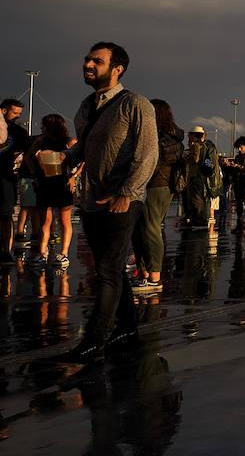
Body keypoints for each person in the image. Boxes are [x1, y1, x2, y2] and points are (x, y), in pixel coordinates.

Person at [66, 42, 158, 362]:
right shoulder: (86, 106)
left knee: (106, 270)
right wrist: (64, 160)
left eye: (97, 60)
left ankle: (95, 339)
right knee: (112, 269)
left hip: (121, 200)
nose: (88, 64)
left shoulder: (136, 104)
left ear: (117, 68)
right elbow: (84, 148)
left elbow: (148, 154)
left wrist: (127, 193)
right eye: (87, 59)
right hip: (91, 199)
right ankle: (129, 326)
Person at [130, 100, 184, 293]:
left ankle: (154, 277)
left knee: (150, 227)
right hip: (156, 185)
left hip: (157, 184)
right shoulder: (171, 137)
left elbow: (151, 161)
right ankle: (145, 274)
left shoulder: (163, 138)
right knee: (142, 228)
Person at [25, 113, 83, 269]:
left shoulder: (69, 142)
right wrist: (35, 174)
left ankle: (63, 254)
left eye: (44, 125)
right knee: (46, 220)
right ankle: (42, 253)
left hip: (63, 183)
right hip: (46, 183)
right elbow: (28, 157)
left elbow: (84, 158)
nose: (41, 127)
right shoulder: (41, 141)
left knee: (65, 220)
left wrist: (73, 177)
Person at [0, 97, 31, 264]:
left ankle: (6, 252)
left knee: (6, 215)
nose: (18, 116)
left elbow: (29, 150)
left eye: (20, 113)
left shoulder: (18, 132)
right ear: (4, 110)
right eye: (15, 113)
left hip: (5, 177)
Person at [182, 126, 221, 228]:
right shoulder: (208, 146)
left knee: (196, 199)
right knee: (204, 199)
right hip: (204, 176)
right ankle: (204, 219)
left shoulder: (196, 146)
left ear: (193, 135)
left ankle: (199, 220)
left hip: (196, 175)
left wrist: (186, 158)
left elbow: (195, 160)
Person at [223, 135, 245, 233]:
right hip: (237, 183)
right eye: (239, 147)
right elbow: (234, 169)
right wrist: (229, 165)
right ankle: (239, 225)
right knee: (239, 205)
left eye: (242, 147)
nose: (240, 149)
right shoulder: (237, 157)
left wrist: (239, 166)